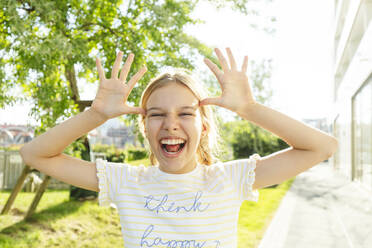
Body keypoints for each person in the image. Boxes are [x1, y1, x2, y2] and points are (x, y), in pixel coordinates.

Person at [20, 47, 338, 247]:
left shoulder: (230, 179)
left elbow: (321, 147)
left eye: (185, 113)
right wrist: (96, 114)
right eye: (156, 115)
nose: (170, 124)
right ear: (144, 128)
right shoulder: (125, 182)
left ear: (204, 125)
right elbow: (34, 154)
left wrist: (249, 109)